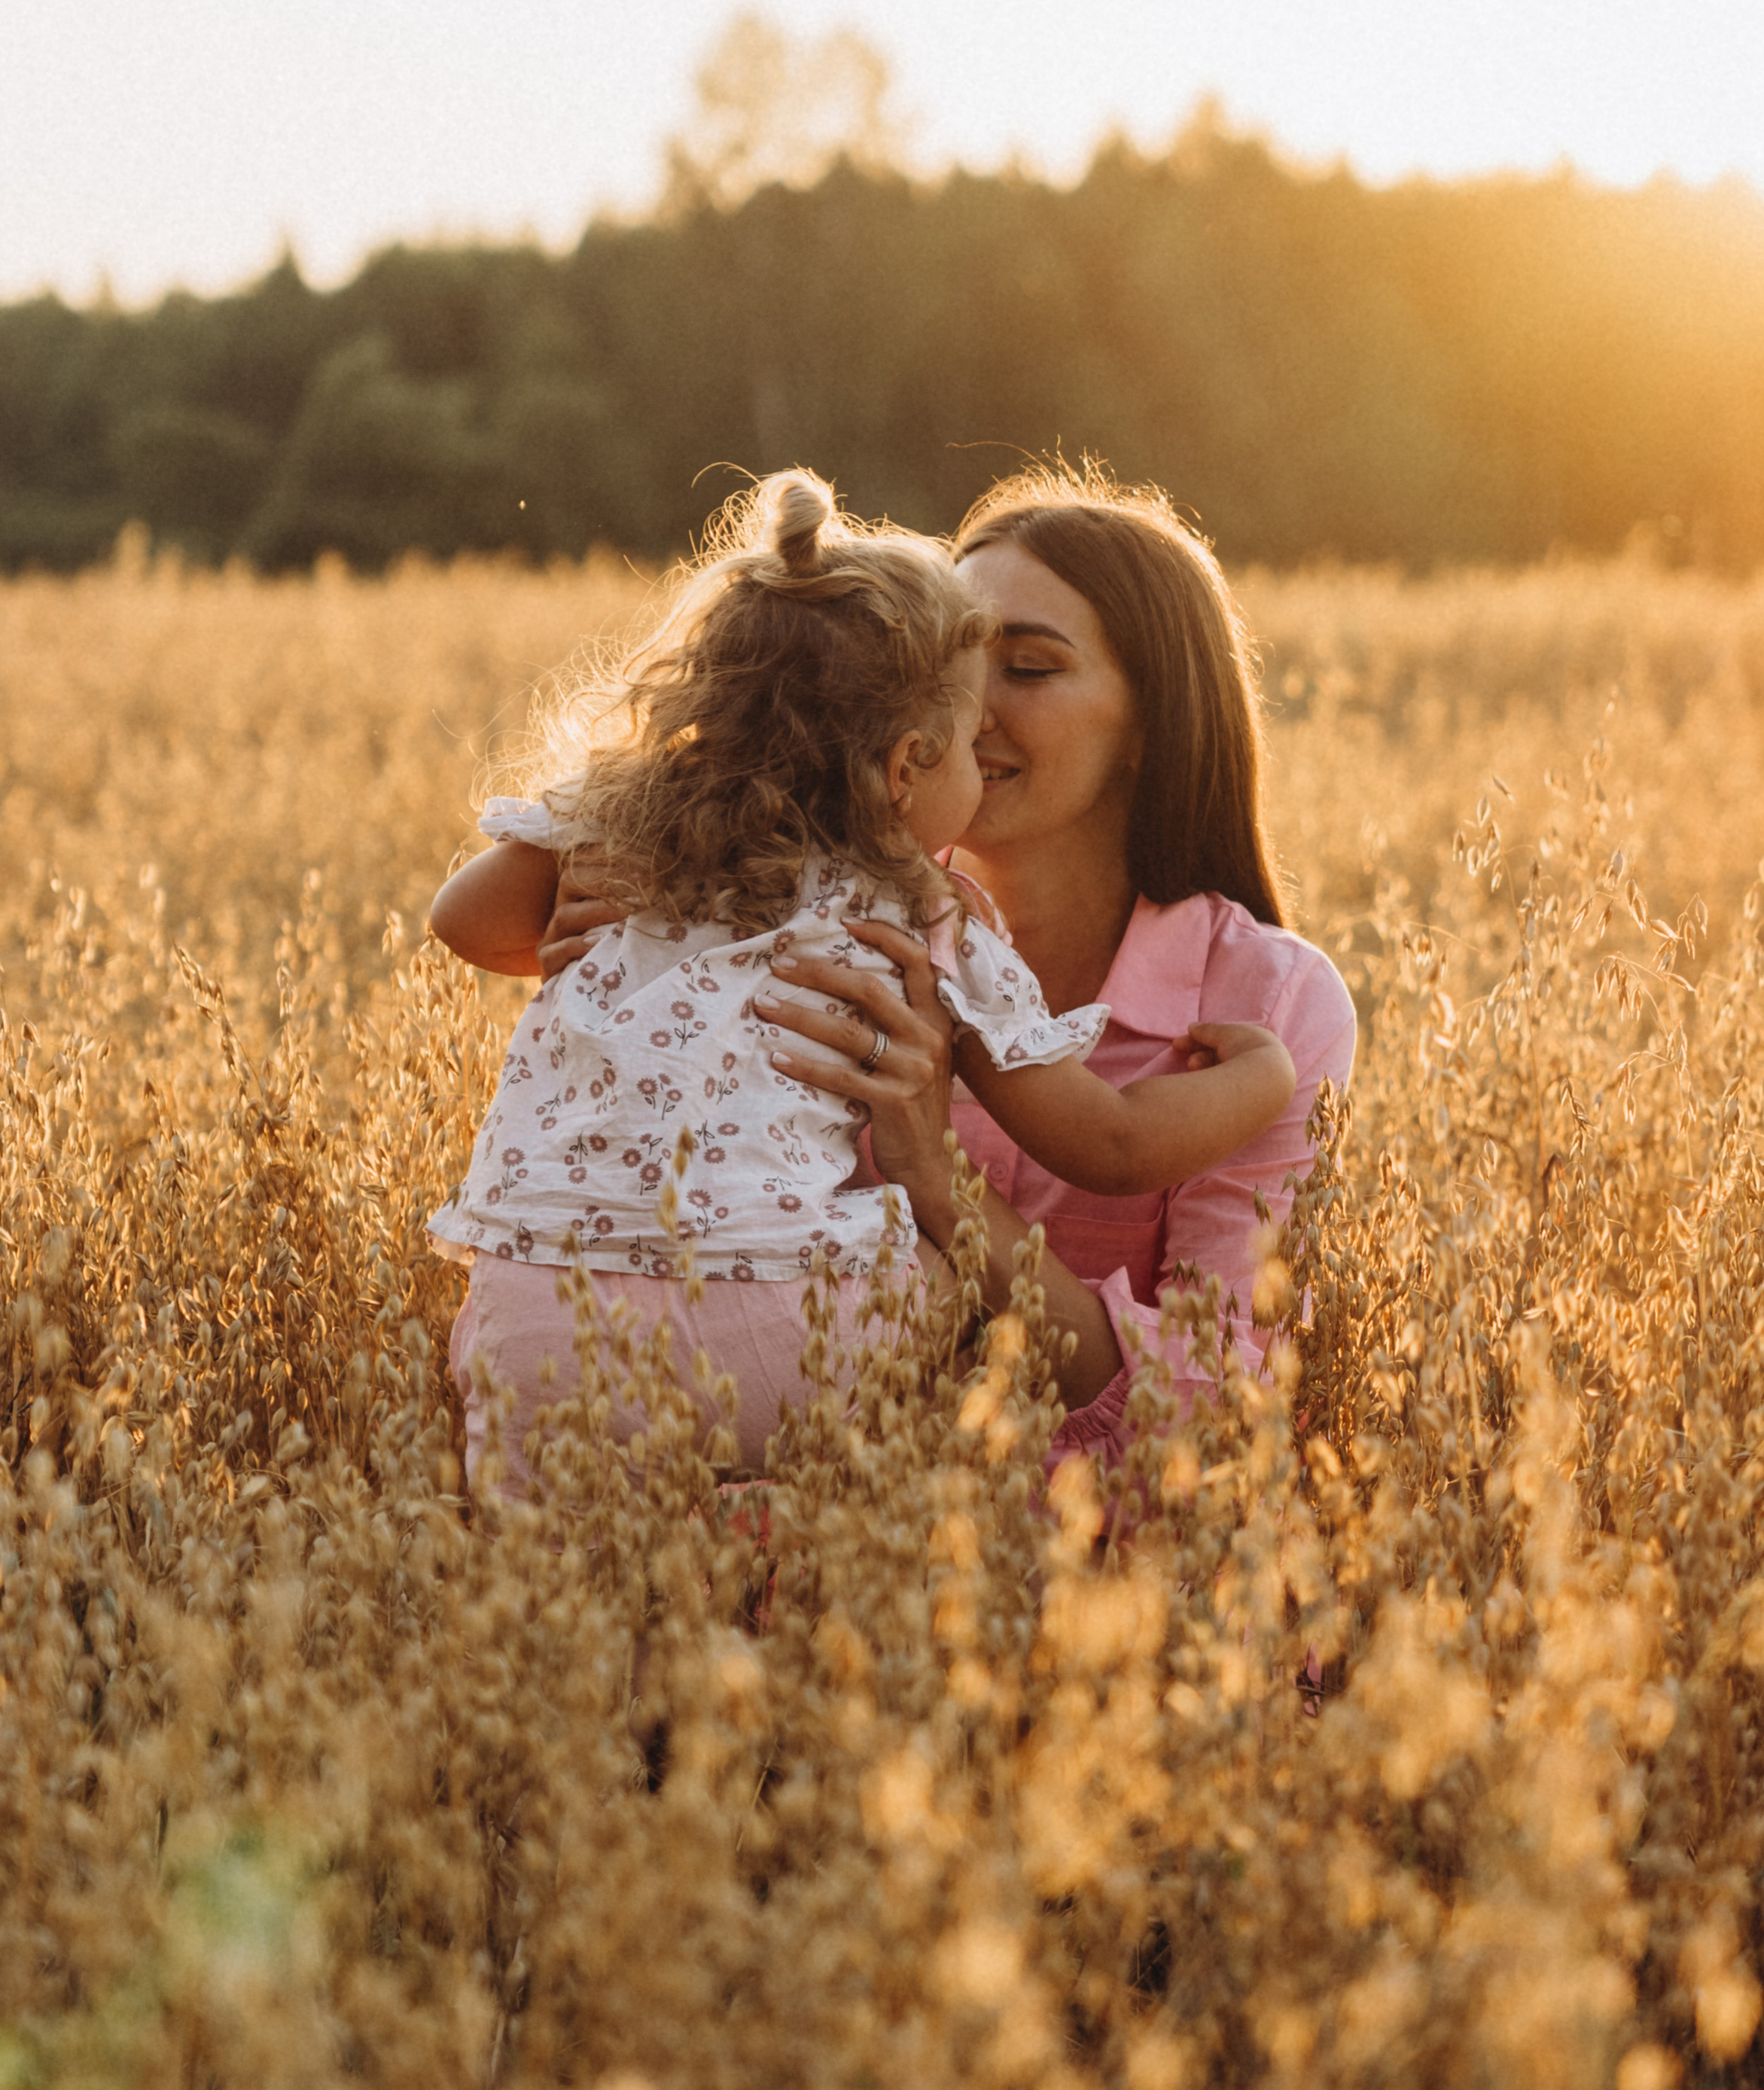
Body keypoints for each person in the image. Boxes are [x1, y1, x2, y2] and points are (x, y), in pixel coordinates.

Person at [427, 470, 1299, 1493]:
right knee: (938, 1301)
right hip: (785, 1343)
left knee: (549, 1559)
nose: (983, 721)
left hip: (531, 1326)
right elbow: (1112, 1143)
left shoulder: (639, 839)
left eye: (1028, 668)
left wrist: (580, 900)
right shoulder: (918, 919)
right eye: (963, 698)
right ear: (906, 763)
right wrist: (1263, 1078)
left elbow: (461, 921)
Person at [724, 467, 1359, 1470]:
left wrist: (941, 1185)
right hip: (806, 1527)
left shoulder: (1269, 1004)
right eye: (940, 662)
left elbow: (1209, 1423)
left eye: (1026, 667)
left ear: (1152, 720)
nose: (963, 710)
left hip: (1096, 1557)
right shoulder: (811, 917)